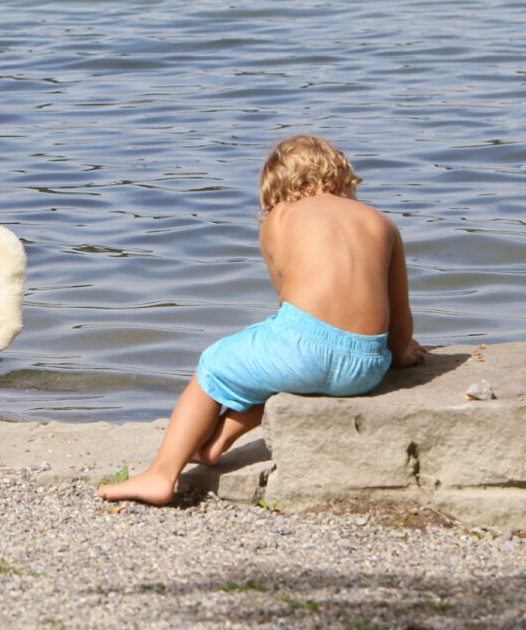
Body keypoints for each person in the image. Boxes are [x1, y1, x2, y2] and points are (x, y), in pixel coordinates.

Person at [100, 135, 426, 506]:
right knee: (300, 369)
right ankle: (219, 439)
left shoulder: (281, 216)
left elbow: (288, 304)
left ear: (278, 188)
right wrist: (400, 353)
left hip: (303, 347)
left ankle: (161, 474)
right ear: (341, 175)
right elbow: (400, 320)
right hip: (366, 365)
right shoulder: (380, 222)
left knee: (215, 367)